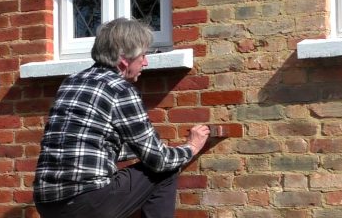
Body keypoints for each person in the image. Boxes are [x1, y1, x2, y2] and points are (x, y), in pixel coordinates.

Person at [33, 18, 210, 218]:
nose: (146, 62)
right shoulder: (120, 89)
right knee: (165, 172)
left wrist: (135, 149)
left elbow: (88, 142)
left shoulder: (71, 82)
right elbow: (158, 161)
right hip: (85, 203)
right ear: (124, 60)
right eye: (142, 55)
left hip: (46, 202)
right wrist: (190, 147)